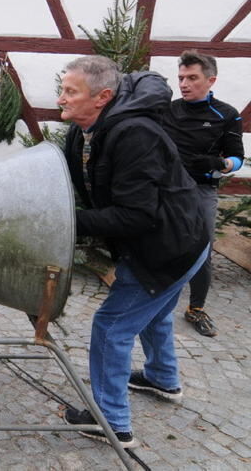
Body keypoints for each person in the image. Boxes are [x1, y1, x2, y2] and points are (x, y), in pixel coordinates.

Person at [58, 56, 209, 448]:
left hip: (169, 247)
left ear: (101, 97)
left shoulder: (134, 134)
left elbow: (136, 216)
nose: (61, 97)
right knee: (155, 313)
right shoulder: (83, 133)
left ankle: (112, 423)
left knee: (111, 327)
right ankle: (162, 378)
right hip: (181, 239)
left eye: (70, 91)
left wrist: (67, 221)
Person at [162, 51, 244, 337]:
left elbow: (238, 159)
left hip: (201, 189)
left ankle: (196, 308)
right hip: (167, 188)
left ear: (211, 80)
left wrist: (220, 164)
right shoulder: (168, 110)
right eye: (181, 77)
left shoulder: (227, 114)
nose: (184, 83)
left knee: (202, 250)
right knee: (158, 242)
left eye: (192, 78)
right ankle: (153, 300)